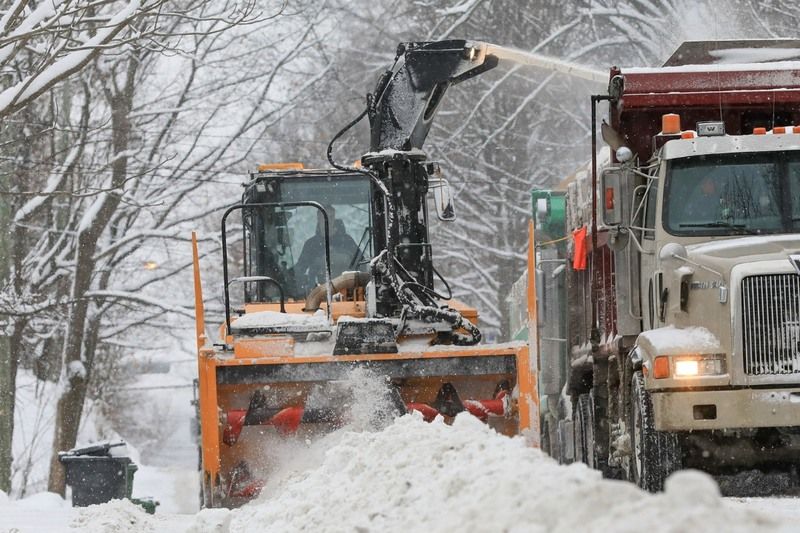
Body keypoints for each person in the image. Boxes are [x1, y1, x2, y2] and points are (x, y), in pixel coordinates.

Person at [293, 205, 360, 291]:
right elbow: (300, 269)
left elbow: (360, 264)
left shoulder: (347, 241)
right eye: (323, 216)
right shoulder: (311, 245)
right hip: (318, 294)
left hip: (348, 293)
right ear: (318, 218)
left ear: (334, 218)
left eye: (331, 217)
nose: (328, 220)